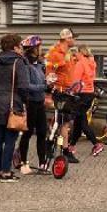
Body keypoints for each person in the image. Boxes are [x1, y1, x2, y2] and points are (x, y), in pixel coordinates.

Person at [0, 34, 29, 183]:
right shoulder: (19, 62)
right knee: (10, 138)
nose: (22, 49)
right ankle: (6, 172)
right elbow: (23, 86)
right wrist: (25, 101)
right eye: (21, 46)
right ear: (15, 47)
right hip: (13, 103)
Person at [16, 35, 51, 175]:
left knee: (42, 132)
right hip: (29, 103)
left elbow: (42, 83)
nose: (41, 49)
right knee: (27, 133)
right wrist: (43, 87)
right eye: (39, 47)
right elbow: (27, 86)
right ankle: (23, 162)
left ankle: (42, 162)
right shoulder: (26, 65)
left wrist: (48, 87)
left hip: (40, 102)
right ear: (33, 49)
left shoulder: (40, 64)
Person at [45, 28, 79, 160]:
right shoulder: (55, 52)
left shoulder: (69, 53)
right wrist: (51, 90)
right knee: (57, 121)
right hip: (58, 92)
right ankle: (49, 144)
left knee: (66, 122)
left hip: (68, 92)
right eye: (73, 38)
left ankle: (65, 150)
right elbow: (49, 73)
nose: (75, 40)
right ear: (67, 39)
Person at [67, 43, 105, 159]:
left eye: (77, 53)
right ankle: (71, 145)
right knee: (79, 122)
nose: (75, 55)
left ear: (80, 52)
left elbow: (76, 81)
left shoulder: (80, 64)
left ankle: (96, 144)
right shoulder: (92, 62)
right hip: (90, 94)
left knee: (82, 122)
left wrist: (70, 92)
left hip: (81, 95)